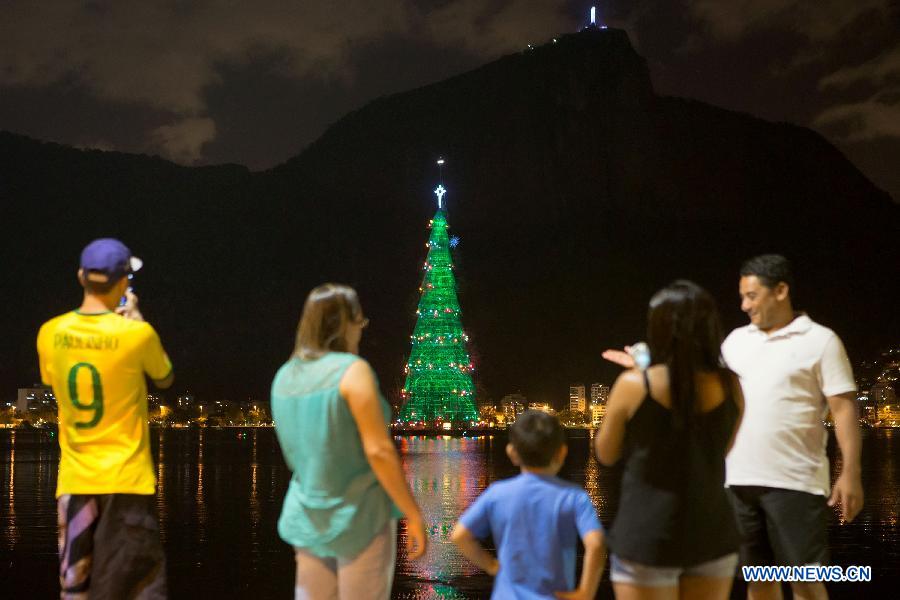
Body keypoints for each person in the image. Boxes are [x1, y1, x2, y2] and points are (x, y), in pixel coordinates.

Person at [271, 283, 427, 600]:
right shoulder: (352, 371)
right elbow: (379, 451)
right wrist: (412, 512)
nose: (361, 330)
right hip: (360, 518)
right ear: (346, 322)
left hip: (307, 516)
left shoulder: (284, 377)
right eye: (360, 322)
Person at [37, 238, 174, 599]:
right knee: (135, 589)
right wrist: (135, 320)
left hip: (75, 483)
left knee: (76, 590)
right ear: (123, 283)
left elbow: (52, 378)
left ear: (82, 276)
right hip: (127, 483)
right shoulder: (137, 335)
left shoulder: (50, 333)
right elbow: (164, 378)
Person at [723, 255, 862, 600]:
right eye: (742, 296)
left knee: (806, 583)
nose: (744, 305)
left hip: (796, 482)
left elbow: (844, 409)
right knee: (759, 581)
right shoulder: (735, 342)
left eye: (752, 296)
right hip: (739, 480)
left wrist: (851, 473)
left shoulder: (821, 341)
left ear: (781, 290)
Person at [596, 280, 744, 600]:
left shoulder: (635, 384)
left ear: (659, 329)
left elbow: (605, 454)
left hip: (646, 536)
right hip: (712, 534)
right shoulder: (731, 384)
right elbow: (723, 448)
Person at [450, 410, 605, 600]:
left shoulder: (498, 493)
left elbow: (460, 536)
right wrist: (585, 593)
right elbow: (596, 544)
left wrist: (491, 566)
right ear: (562, 452)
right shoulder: (574, 497)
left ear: (512, 453)